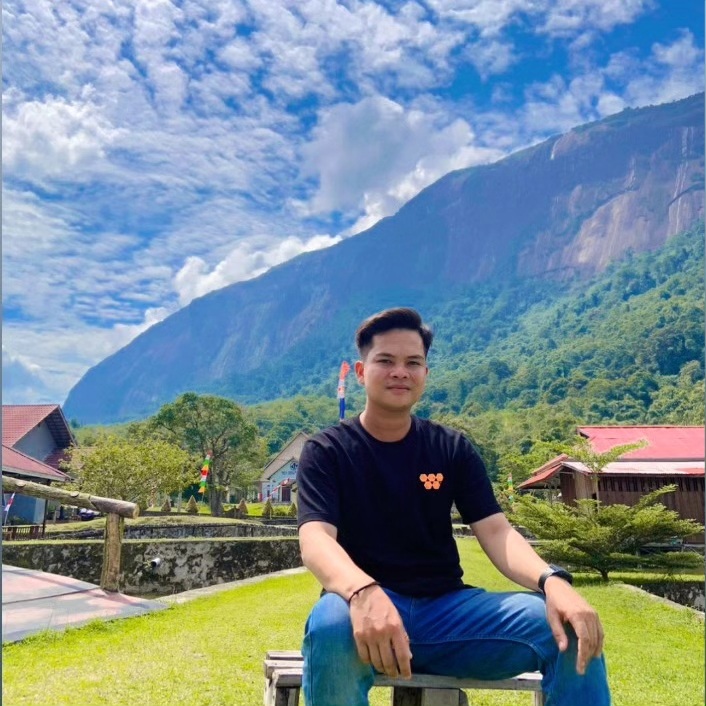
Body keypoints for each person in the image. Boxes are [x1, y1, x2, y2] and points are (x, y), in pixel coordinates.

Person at [296, 307, 611, 706]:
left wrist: (552, 581)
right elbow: (316, 539)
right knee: (330, 626)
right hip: (358, 613)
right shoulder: (327, 451)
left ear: (425, 373)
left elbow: (497, 532)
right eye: (386, 361)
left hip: (449, 616)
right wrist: (362, 591)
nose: (400, 372)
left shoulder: (450, 448)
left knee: (570, 626)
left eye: (413, 363)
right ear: (361, 372)